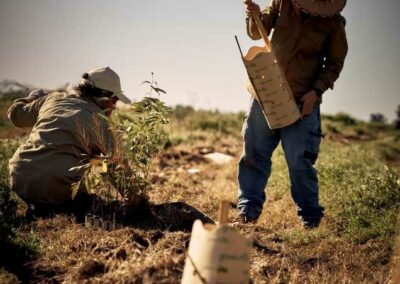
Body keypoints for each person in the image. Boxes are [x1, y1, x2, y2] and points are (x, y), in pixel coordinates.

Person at [237, 0, 348, 228]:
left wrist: (315, 92)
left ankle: (310, 218)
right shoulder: (281, 2)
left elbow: (335, 62)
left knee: (300, 161)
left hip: (303, 101)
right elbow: (257, 33)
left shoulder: (333, 23)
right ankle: (247, 212)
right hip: (265, 92)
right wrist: (254, 15)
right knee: (253, 153)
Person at [8, 67, 131, 219]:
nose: (114, 106)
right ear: (104, 97)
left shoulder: (53, 98)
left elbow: (16, 116)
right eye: (114, 100)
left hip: (20, 177)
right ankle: (55, 207)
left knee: (94, 162)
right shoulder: (101, 121)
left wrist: (34, 97)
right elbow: (117, 170)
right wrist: (137, 201)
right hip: (55, 187)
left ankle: (40, 207)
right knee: (93, 177)